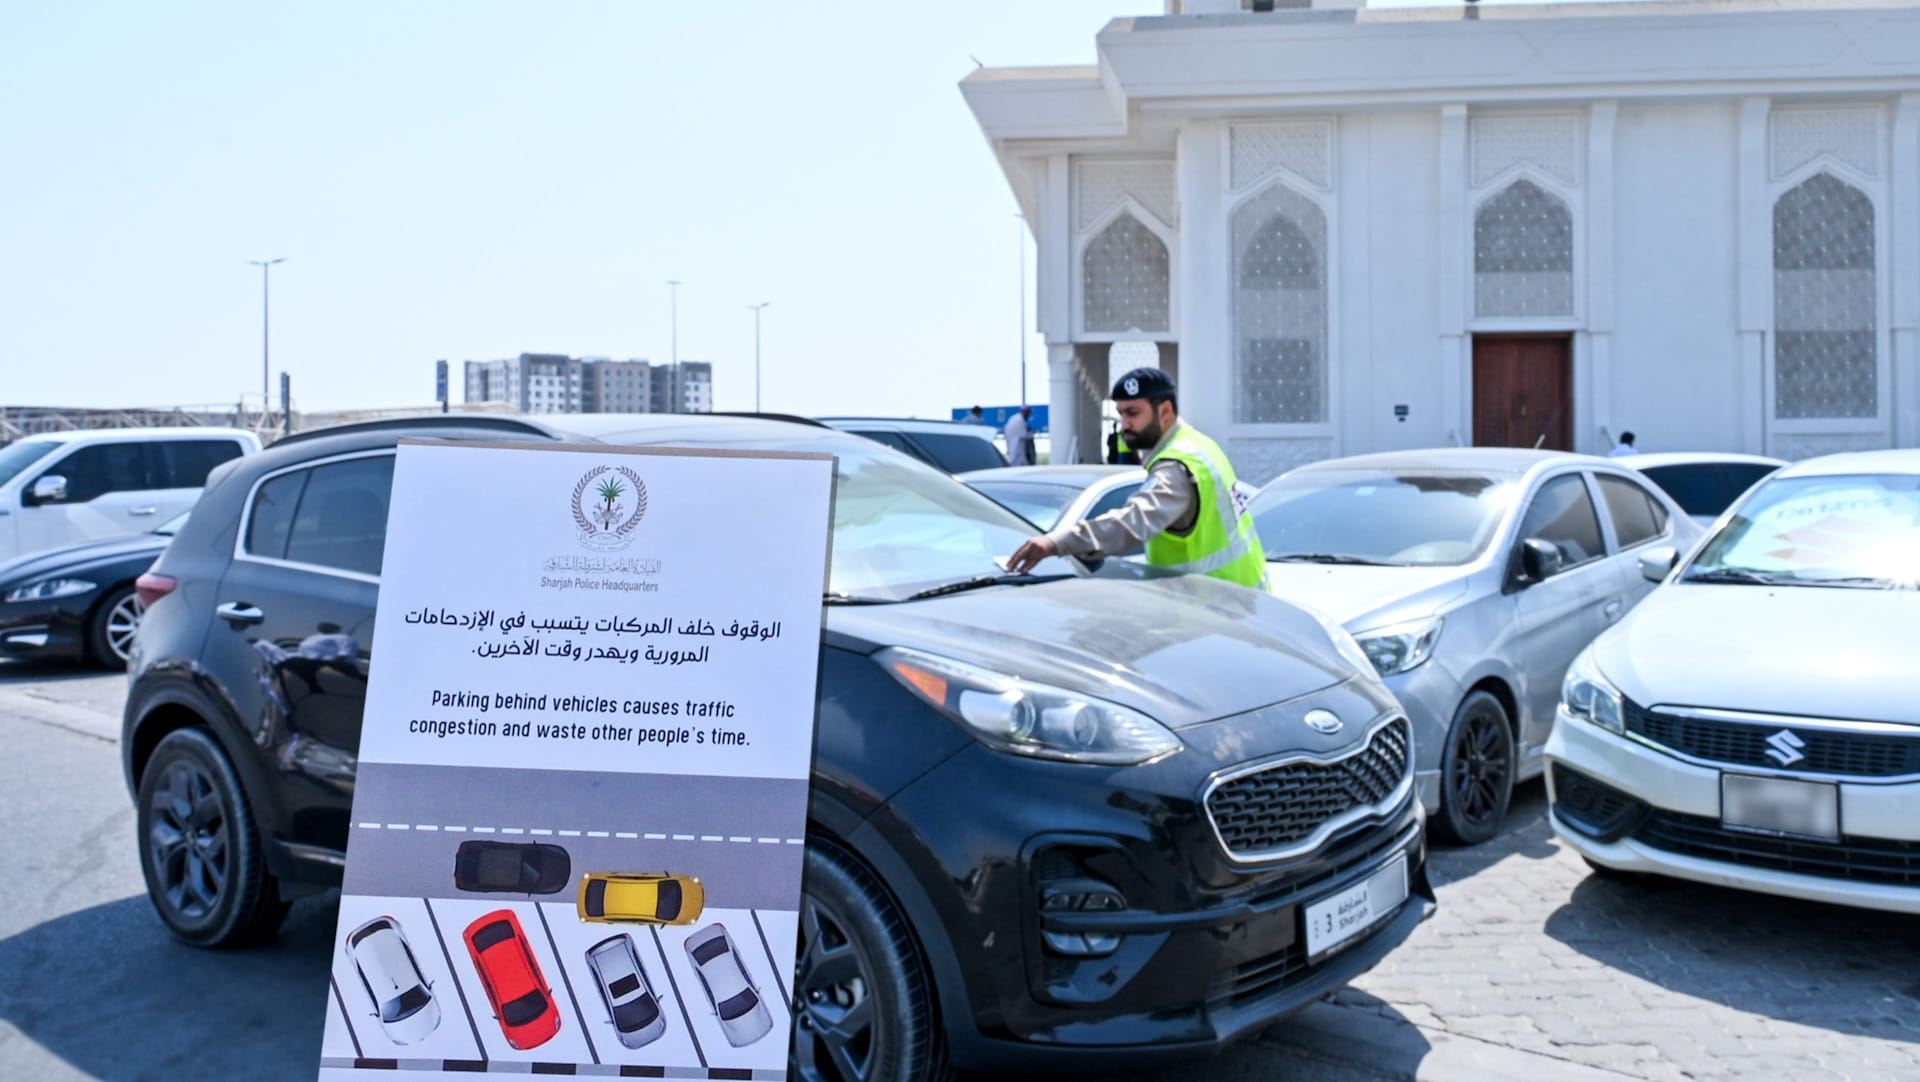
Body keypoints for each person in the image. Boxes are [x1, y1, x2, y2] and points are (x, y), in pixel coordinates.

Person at [1007, 368, 1267, 588]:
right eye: (1121, 413)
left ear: (1165, 411)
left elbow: (1131, 524)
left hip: (1215, 605)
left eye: (1133, 413)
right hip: (1238, 597)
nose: (1124, 424)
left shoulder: (1176, 465)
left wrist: (1055, 542)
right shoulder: (1199, 445)